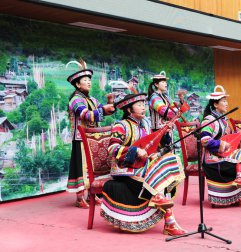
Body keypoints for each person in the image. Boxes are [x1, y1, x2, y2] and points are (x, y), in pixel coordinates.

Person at [100, 93, 187, 235]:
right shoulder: (121, 126)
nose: (143, 108)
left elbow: (153, 143)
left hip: (143, 166)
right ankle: (169, 221)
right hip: (125, 169)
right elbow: (112, 149)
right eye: (139, 105)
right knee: (155, 177)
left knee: (170, 161)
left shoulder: (146, 123)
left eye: (144, 105)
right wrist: (135, 151)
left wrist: (165, 132)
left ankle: (167, 218)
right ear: (129, 109)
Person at [66, 59, 115, 208]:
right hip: (80, 138)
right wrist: (103, 109)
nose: (89, 82)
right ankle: (80, 198)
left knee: (92, 167)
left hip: (92, 139)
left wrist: (111, 104)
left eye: (89, 80)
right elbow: (85, 115)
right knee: (81, 168)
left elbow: (105, 112)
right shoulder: (75, 100)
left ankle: (91, 196)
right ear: (77, 84)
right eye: (85, 80)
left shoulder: (92, 99)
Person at [201, 85, 241, 207]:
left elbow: (231, 140)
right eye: (224, 101)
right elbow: (204, 140)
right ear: (215, 104)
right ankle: (239, 180)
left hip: (223, 155)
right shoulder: (209, 120)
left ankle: (237, 193)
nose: (227, 104)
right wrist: (221, 144)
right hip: (211, 159)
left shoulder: (224, 120)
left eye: (226, 101)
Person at [148, 71, 184, 146]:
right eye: (163, 82)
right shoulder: (154, 97)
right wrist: (179, 111)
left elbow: (175, 106)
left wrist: (181, 99)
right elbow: (165, 112)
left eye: (165, 82)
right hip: (158, 131)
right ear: (156, 84)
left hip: (167, 129)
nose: (166, 84)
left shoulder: (165, 97)